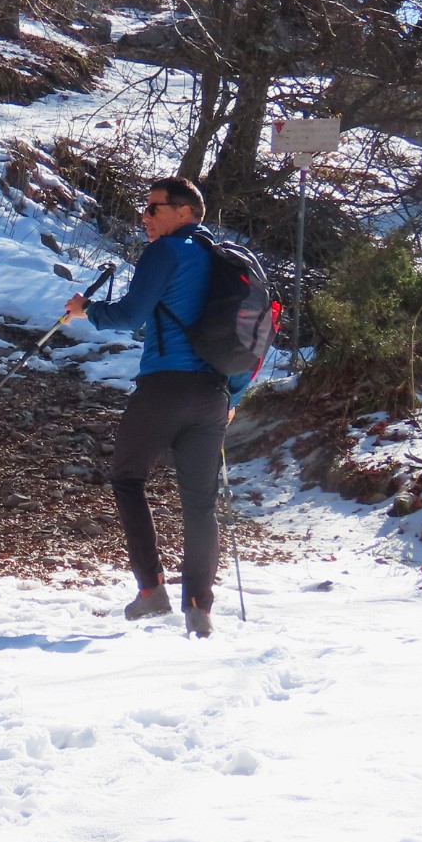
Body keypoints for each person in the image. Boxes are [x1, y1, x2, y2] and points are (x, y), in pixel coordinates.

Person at [64, 176, 250, 638]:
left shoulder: (166, 252)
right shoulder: (224, 260)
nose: (144, 217)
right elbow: (247, 335)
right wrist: (234, 397)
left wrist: (88, 309)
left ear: (184, 212)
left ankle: (152, 591)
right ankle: (199, 608)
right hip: (213, 394)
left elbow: (129, 315)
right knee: (199, 503)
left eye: (153, 208)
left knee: (127, 477)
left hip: (165, 387)